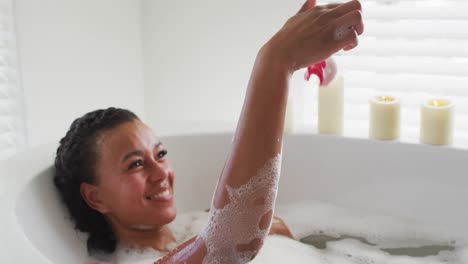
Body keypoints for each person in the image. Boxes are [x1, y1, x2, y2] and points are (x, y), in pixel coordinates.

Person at [53, 0, 363, 263]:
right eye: (135, 164)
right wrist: (278, 60)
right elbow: (229, 243)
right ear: (96, 197)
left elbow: (233, 232)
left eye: (160, 154)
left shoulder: (198, 225)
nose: (160, 173)